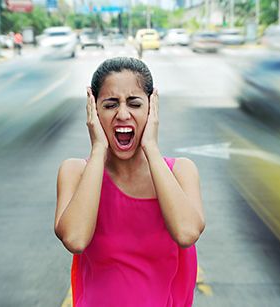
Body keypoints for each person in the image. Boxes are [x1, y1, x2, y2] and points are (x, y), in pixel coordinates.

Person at [54, 57, 205, 307]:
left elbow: (187, 233)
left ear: (151, 107)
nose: (122, 114)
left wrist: (151, 147)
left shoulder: (181, 171)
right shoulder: (75, 171)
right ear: (93, 109)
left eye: (134, 103)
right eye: (110, 104)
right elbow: (76, 239)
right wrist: (99, 149)